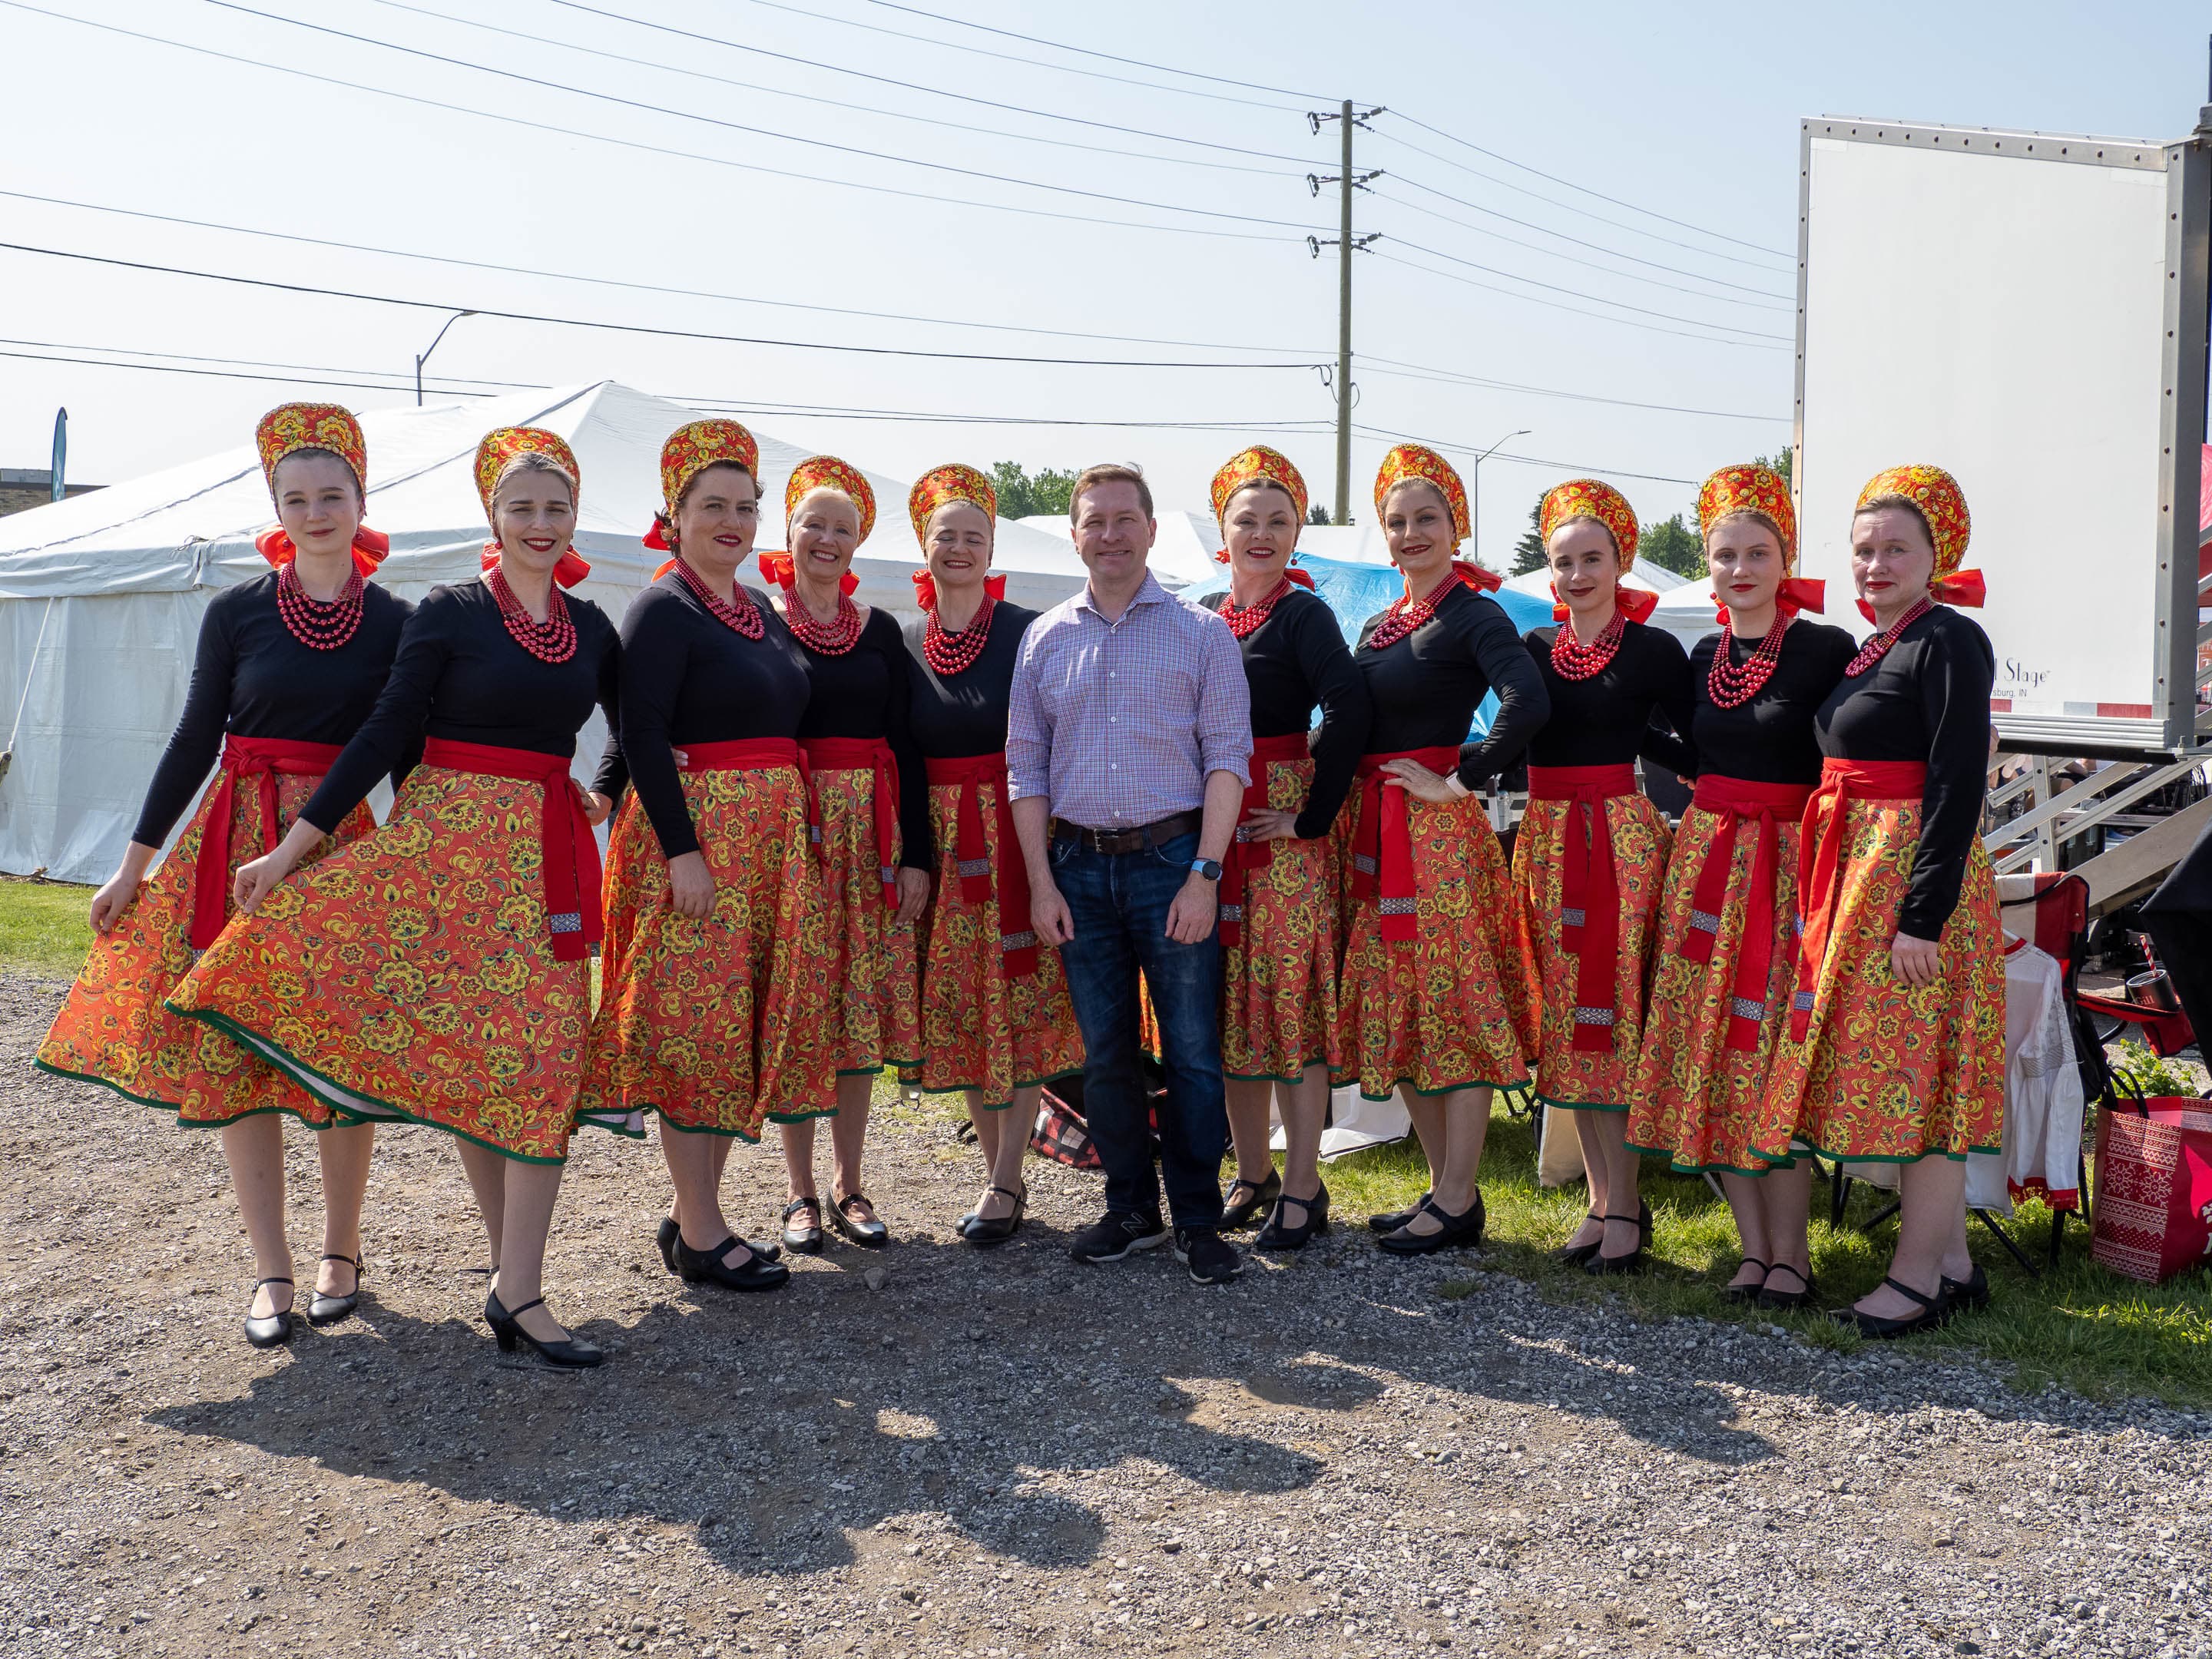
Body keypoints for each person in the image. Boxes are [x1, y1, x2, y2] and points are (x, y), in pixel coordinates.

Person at [171, 427, 624, 1369]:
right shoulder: (449, 613)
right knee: (469, 1059)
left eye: (556, 508)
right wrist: (294, 851)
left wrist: (609, 793)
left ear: (575, 517)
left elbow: (641, 729)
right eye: (522, 508)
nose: (540, 523)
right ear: (491, 519)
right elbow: (386, 735)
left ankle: (516, 1285)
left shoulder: (595, 626)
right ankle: (491, 1282)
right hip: (449, 857)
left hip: (541, 861)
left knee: (543, 1063)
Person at [37, 403, 412, 1349]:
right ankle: (271, 1268)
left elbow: (406, 755)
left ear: (361, 500)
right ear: (276, 509)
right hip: (232, 840)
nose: (317, 510)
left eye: (333, 495)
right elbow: (195, 735)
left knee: (335, 1053)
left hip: (338, 852)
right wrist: (134, 866)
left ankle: (341, 1252)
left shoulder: (401, 622)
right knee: (237, 1050)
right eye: (298, 498)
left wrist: (417, 868)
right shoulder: (236, 611)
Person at [1761, 463, 2002, 1337]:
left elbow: (1955, 781)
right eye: (1864, 549)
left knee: (1921, 1073)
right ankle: (1953, 1261)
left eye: (1897, 547)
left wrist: (1923, 918)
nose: (1875, 563)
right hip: (1856, 873)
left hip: (1905, 884)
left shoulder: (1948, 638)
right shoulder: (1878, 644)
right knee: (1904, 1064)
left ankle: (1917, 1277)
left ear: (1937, 555)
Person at [580, 419, 815, 1294]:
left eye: (746, 508)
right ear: (671, 517)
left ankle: (693, 1219)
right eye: (712, 505)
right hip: (700, 846)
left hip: (763, 846)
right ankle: (707, 1228)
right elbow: (639, 728)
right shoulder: (663, 605)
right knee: (691, 1030)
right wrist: (683, 850)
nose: (732, 521)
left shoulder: (754, 606)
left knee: (726, 1033)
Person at [1008, 462, 1253, 1286]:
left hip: (1171, 864)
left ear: (1151, 528)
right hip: (1077, 870)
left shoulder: (1202, 633)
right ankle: (1131, 1210)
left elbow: (1227, 761)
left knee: (1190, 1053)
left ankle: (1197, 1217)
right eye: (1094, 521)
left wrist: (1205, 873)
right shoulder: (1045, 639)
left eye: (1124, 519)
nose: (1109, 534)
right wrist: (1041, 882)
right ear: (1074, 535)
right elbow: (1026, 770)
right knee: (1105, 1053)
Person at [1624, 464, 1855, 1309]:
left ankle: (1792, 1258)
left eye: (1758, 553)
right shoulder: (1702, 654)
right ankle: (1753, 1252)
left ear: (1784, 558)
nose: (1741, 569)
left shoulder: (1826, 648)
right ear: (1710, 568)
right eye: (1725, 556)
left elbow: (1844, 752)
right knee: (1705, 1054)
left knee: (1766, 1061)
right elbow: (1698, 753)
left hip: (1788, 867)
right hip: (1708, 860)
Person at [1336, 445, 1547, 1255]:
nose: (1412, 532)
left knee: (1451, 1015)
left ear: (1456, 528)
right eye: (1397, 522)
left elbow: (1528, 700)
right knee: (1412, 1019)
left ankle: (1459, 1199)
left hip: (1436, 843)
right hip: (1377, 832)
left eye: (1428, 518)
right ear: (1384, 540)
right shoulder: (1380, 621)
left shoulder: (1473, 613)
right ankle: (1441, 1192)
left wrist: (1461, 779)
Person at [898, 464, 1084, 1246]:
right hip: (942, 843)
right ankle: (996, 1176)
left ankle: (1007, 1178)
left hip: (1015, 833)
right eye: (948, 535)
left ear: (993, 547)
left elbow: (1062, 735)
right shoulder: (902, 640)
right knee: (967, 1008)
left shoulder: (1031, 630)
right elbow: (900, 755)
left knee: (1023, 1001)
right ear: (926, 545)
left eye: (975, 536)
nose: (961, 547)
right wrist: (913, 854)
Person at [1512, 479, 1691, 1275]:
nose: (1579, 574)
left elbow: (1697, 741)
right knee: (1565, 1027)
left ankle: (1625, 1205)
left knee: (1610, 1020)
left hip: (1618, 840)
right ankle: (1599, 1199)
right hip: (1545, 844)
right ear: (1551, 575)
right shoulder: (1532, 652)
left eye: (1594, 559)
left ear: (1622, 562)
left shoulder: (1654, 651)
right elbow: (1507, 739)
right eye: (1566, 562)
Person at [1198, 447, 1367, 1249]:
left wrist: (1309, 816)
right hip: (1209, 830)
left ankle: (1304, 1187)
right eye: (1247, 521)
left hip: (1280, 836)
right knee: (1231, 1011)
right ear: (1222, 532)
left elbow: (1352, 708)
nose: (1261, 535)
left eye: (1278, 522)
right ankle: (1252, 1173)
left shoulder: (1304, 615)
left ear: (1296, 534)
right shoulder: (1199, 613)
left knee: (1291, 1011)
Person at [767, 457, 932, 1253]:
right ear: (789, 531)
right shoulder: (756, 621)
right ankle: (797, 1193)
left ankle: (849, 1183)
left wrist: (917, 858)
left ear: (858, 539)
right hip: (794, 836)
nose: (827, 538)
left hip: (873, 834)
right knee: (804, 1010)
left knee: (858, 1013)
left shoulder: (879, 631)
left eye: (843, 527)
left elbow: (909, 741)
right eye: (814, 523)